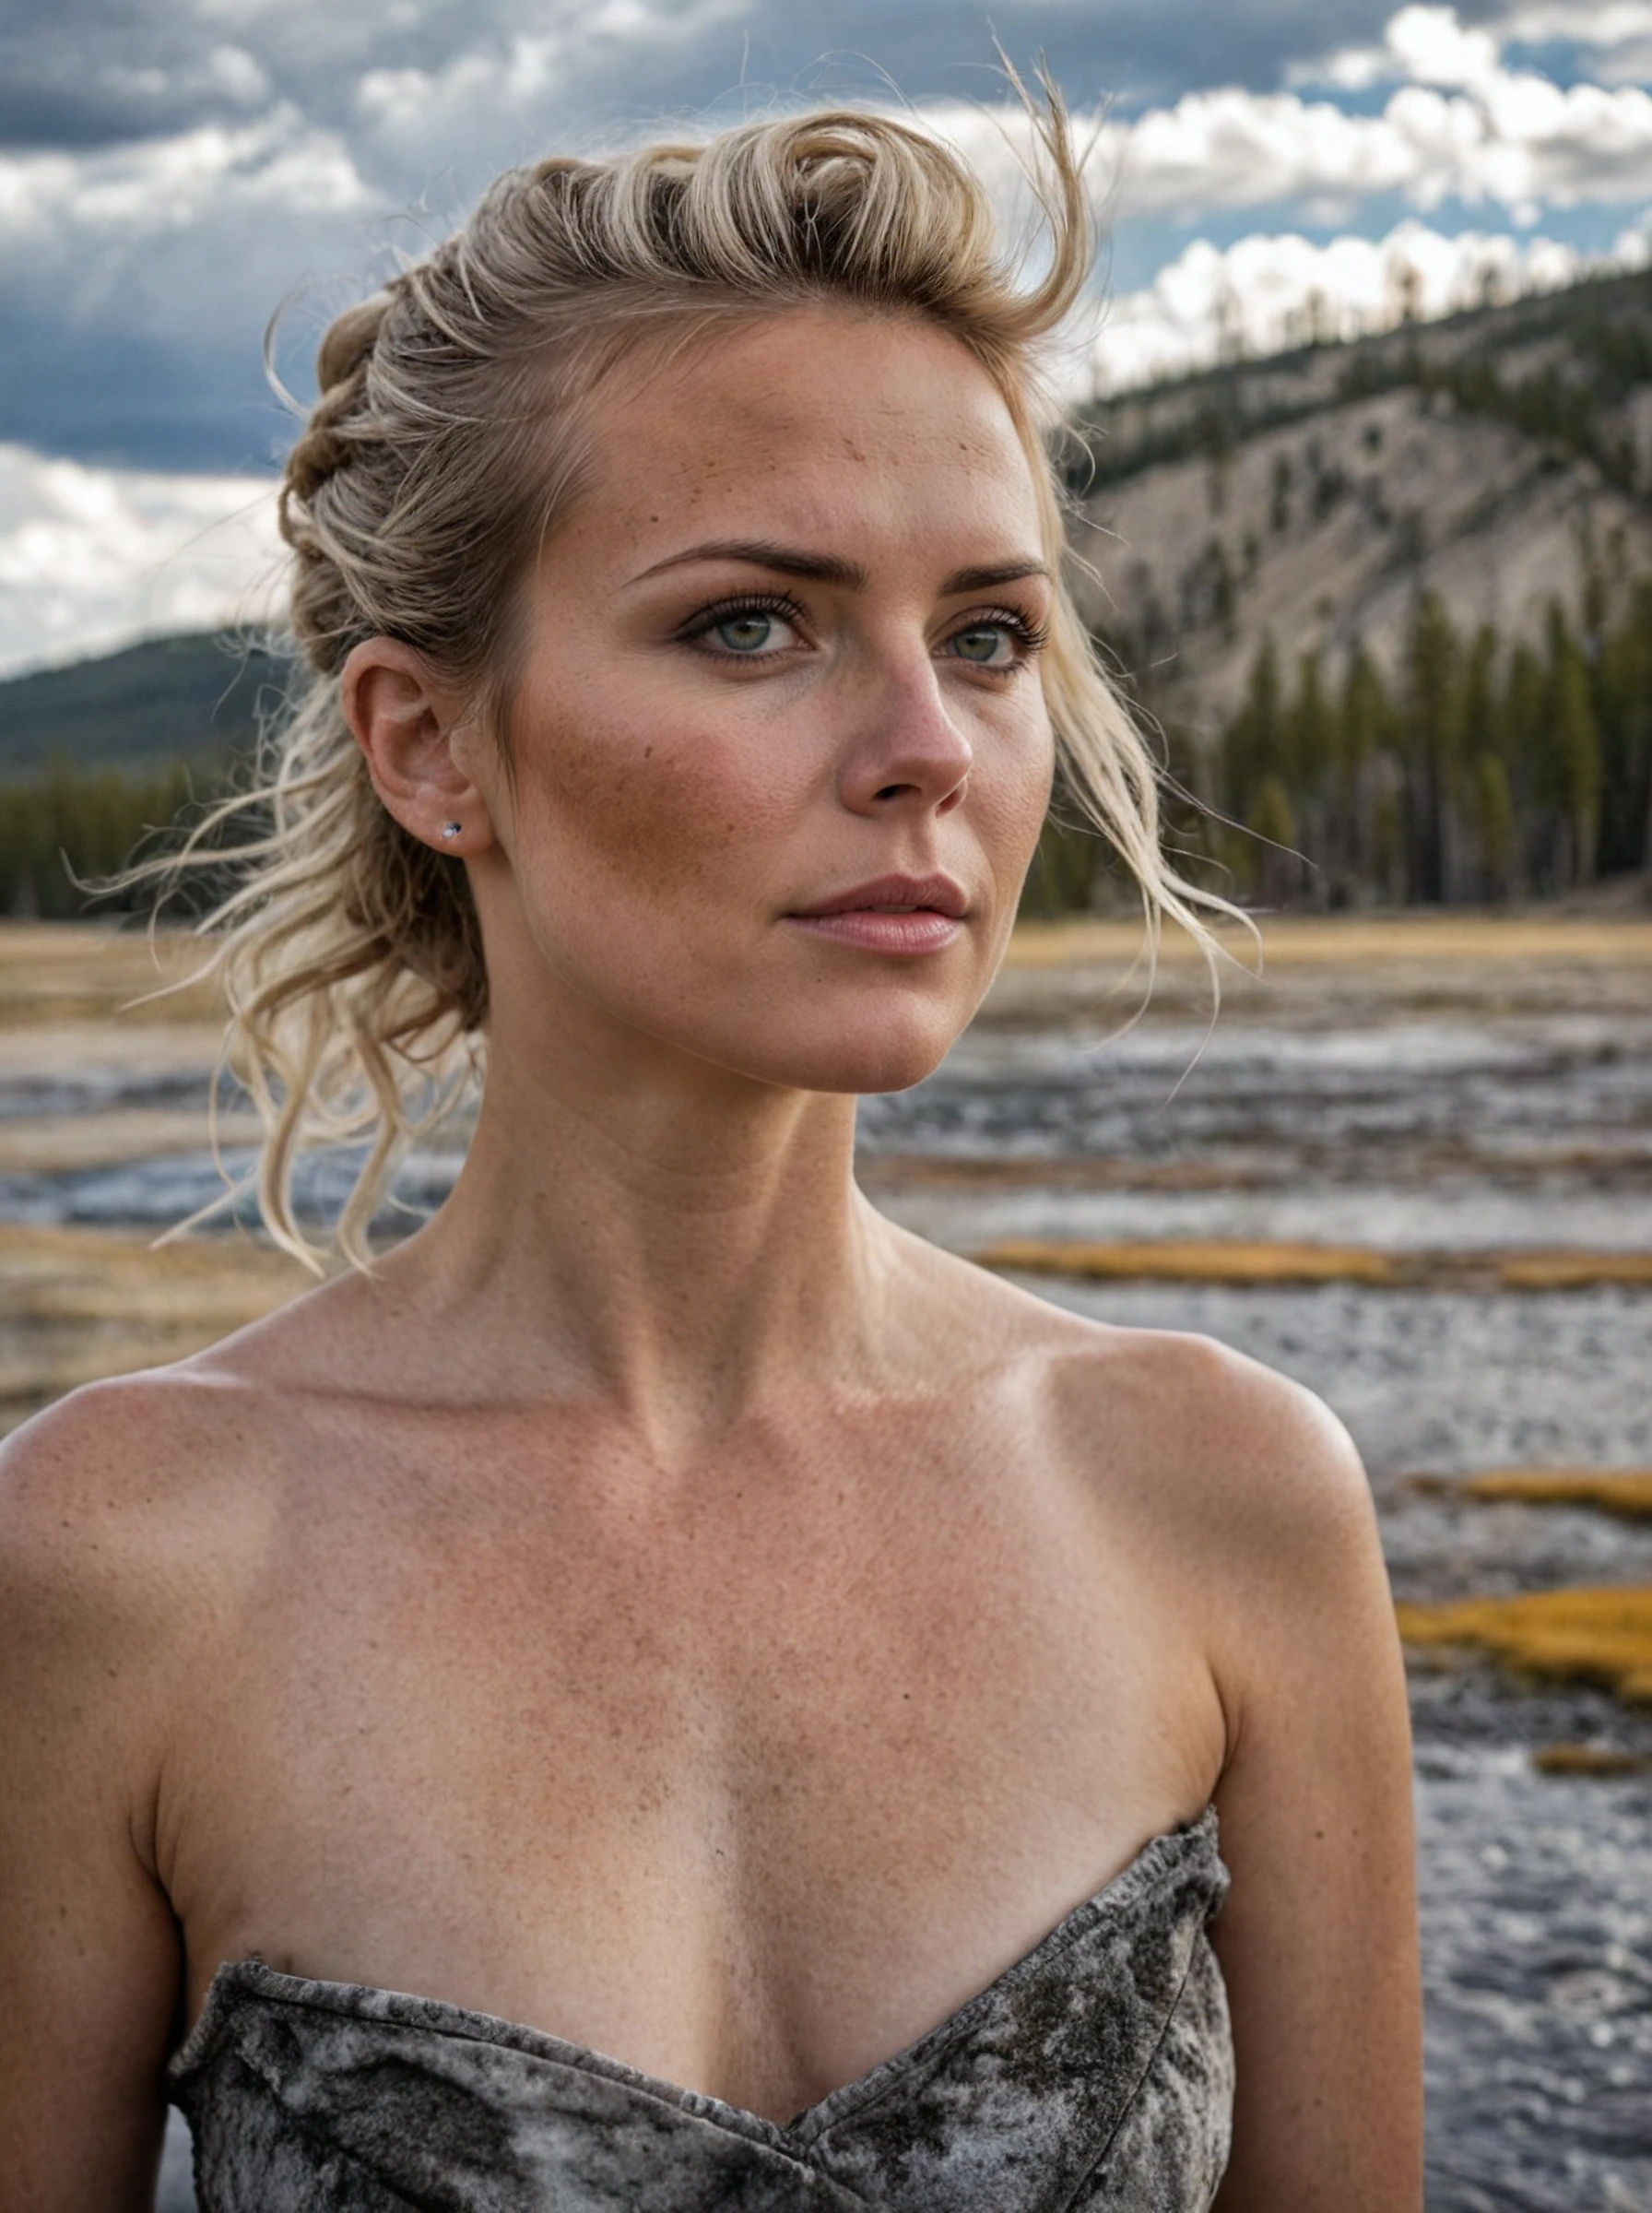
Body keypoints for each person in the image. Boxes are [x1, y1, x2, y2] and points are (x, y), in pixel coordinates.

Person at [0, 81, 1421, 2213]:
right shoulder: (121, 1563)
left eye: (988, 635)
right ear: (430, 741)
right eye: (750, 622)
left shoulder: (1220, 1508)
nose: (926, 749)